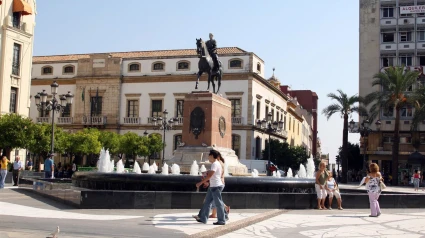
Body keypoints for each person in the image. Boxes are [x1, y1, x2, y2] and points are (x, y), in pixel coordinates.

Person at [194, 150, 226, 225]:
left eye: (209, 155)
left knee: (218, 203)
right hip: (213, 186)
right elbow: (212, 176)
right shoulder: (216, 163)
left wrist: (200, 183)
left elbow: (210, 176)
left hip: (216, 186)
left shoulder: (215, 164)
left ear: (212, 156)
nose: (208, 157)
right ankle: (203, 219)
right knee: (207, 203)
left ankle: (221, 220)